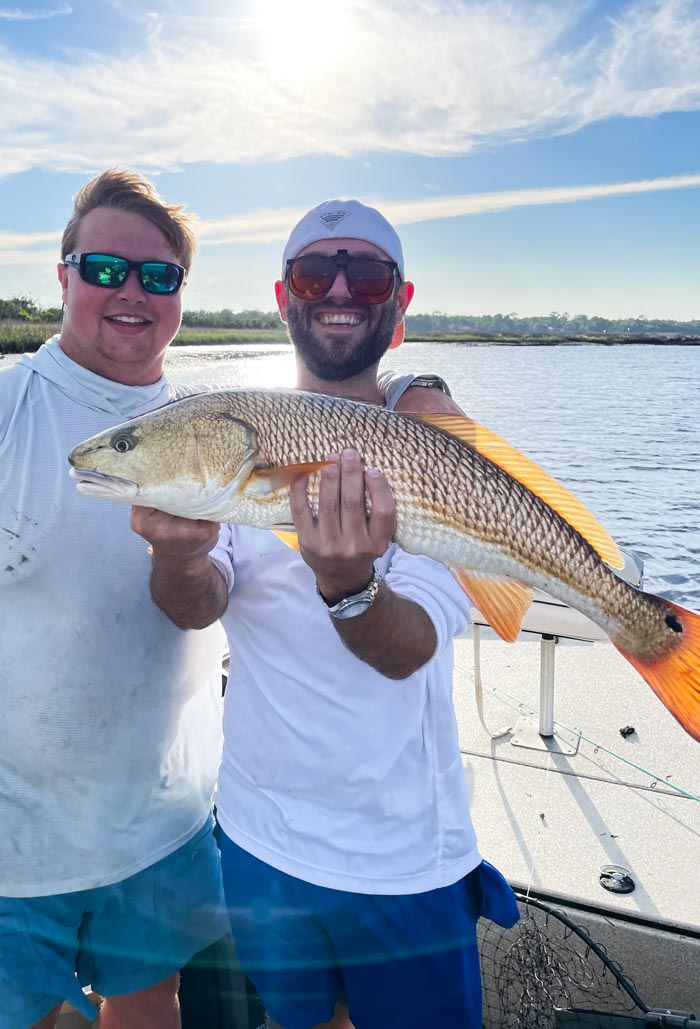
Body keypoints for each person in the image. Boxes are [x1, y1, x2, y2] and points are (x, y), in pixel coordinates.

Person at [135, 199, 519, 1029]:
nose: (340, 288)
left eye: (367, 272)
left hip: (405, 856)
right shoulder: (238, 432)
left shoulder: (439, 443)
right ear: (284, 297)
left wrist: (349, 584)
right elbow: (198, 604)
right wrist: (178, 553)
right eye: (316, 272)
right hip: (257, 836)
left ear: (400, 301)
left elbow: (410, 646)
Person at [0, 169, 233, 1029]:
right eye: (104, 269)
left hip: (160, 819)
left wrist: (179, 565)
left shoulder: (219, 426)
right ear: (63, 274)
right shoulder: (8, 404)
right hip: (10, 835)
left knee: (150, 999)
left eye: (159, 276)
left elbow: (202, 604)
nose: (131, 292)